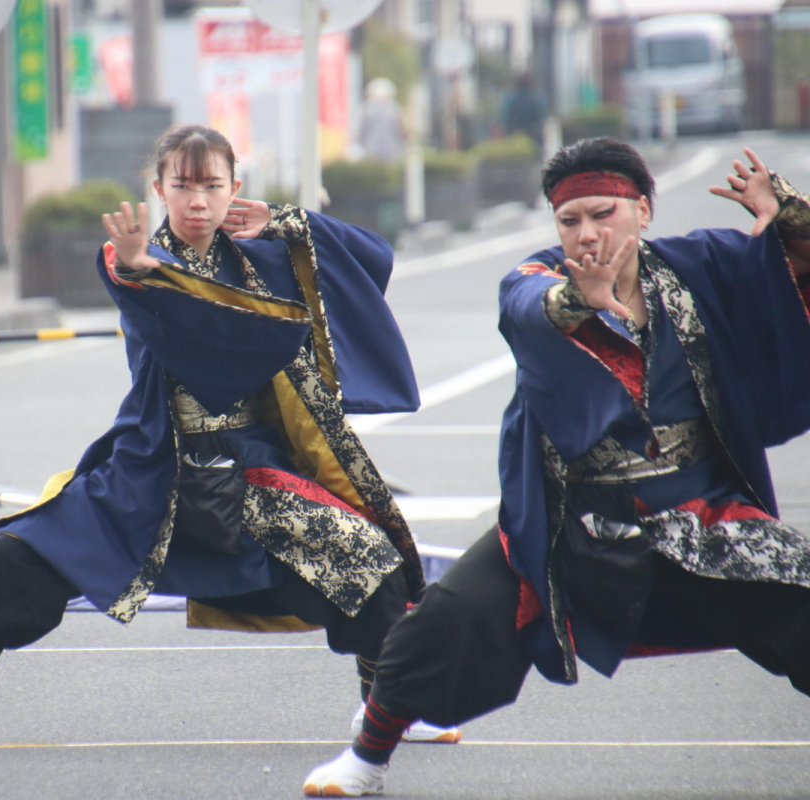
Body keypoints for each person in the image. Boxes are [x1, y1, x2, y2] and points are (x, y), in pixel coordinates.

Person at [0, 123, 460, 753]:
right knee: (18, 557)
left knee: (368, 559)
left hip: (251, 468)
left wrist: (289, 221)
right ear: (158, 189)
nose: (198, 201)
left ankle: (387, 711)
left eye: (213, 186)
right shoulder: (136, 259)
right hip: (151, 468)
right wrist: (139, 266)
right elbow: (158, 294)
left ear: (235, 188)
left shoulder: (263, 260)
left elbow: (372, 260)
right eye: (183, 185)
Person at [302, 137, 810, 796]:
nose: (587, 233)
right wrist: (580, 300)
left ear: (643, 210)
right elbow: (527, 307)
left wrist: (789, 217)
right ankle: (366, 761)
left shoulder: (698, 265)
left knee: (800, 594)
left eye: (604, 213)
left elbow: (786, 278)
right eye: (570, 219)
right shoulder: (537, 278)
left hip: (697, 511)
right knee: (445, 621)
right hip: (571, 523)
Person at [356, 77, 406, 163]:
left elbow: (359, 131)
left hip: (371, 149)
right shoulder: (394, 108)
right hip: (391, 150)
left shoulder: (366, 108)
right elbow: (402, 130)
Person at [501, 72, 548, 152]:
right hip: (533, 139)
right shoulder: (536, 98)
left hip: (514, 137)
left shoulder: (511, 98)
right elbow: (542, 118)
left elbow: (505, 119)